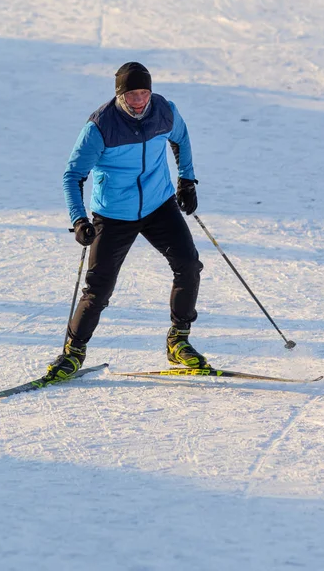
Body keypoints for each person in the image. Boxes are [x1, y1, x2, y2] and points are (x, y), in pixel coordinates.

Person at [45, 62, 208, 381]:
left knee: (189, 265)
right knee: (98, 289)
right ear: (119, 94)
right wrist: (79, 220)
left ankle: (179, 341)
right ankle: (73, 353)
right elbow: (73, 175)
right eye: (132, 94)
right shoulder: (100, 126)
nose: (139, 100)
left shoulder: (164, 110)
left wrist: (186, 180)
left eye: (144, 92)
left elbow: (181, 137)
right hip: (114, 213)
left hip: (159, 204)